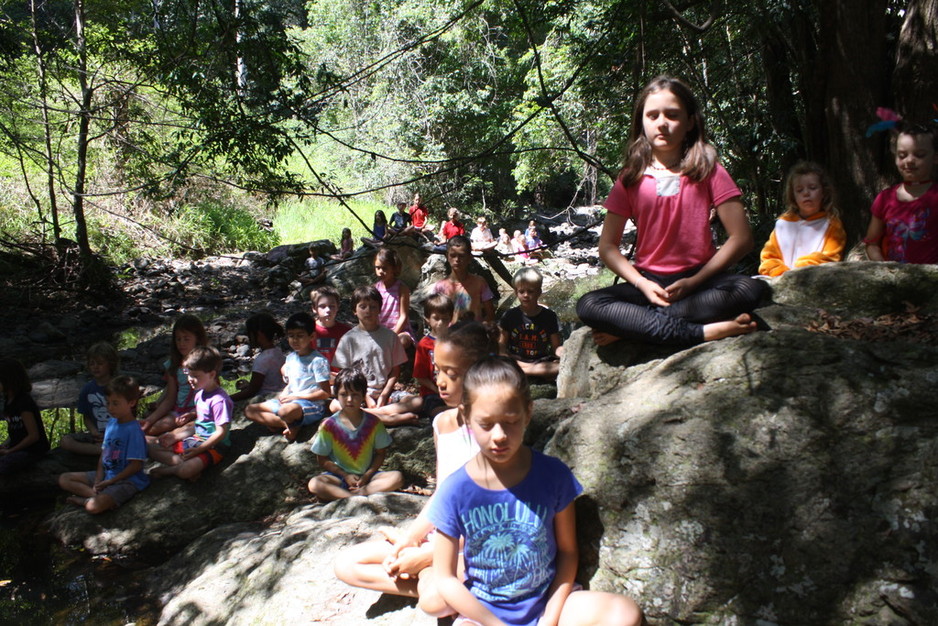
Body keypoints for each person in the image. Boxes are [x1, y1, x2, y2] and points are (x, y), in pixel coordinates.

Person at [428, 356, 644, 626]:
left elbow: (567, 552)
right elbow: (445, 579)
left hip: (546, 602)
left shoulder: (553, 475)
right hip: (484, 613)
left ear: (528, 413)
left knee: (624, 613)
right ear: (466, 417)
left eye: (511, 421)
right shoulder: (455, 490)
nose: (499, 435)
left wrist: (550, 618)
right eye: (486, 424)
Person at [575, 75, 766, 346]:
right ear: (642, 122)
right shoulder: (631, 178)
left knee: (750, 289)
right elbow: (607, 246)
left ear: (690, 122)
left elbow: (742, 238)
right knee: (589, 304)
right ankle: (702, 332)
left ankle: (635, 326)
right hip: (648, 283)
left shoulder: (709, 170)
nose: (662, 123)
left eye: (672, 115)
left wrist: (694, 281)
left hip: (699, 283)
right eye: (652, 115)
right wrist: (641, 283)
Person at [334, 322, 489, 617]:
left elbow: (487, 517)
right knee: (346, 564)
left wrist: (426, 556)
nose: (439, 381)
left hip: (472, 546)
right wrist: (410, 538)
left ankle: (435, 584)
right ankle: (432, 583)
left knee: (435, 600)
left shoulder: (492, 433)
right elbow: (442, 494)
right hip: (439, 537)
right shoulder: (442, 424)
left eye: (451, 374)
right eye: (438, 370)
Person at [307, 367, 403, 501]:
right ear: (336, 395)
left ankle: (357, 494)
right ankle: (352, 496)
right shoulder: (329, 425)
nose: (349, 399)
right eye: (344, 394)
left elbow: (381, 453)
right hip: (338, 477)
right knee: (314, 484)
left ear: (363, 395)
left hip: (367, 476)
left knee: (396, 477)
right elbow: (322, 458)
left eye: (355, 394)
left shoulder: (374, 423)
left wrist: (367, 476)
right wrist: (344, 475)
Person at [58, 376, 149, 513]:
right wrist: (99, 479)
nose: (110, 408)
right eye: (108, 403)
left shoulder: (134, 430)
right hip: (108, 474)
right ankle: (96, 496)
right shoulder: (112, 423)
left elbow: (135, 466)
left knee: (93, 507)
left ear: (131, 403)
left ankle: (89, 500)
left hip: (127, 481)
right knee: (64, 479)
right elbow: (104, 454)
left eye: (115, 403)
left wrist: (110, 482)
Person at [148, 346, 232, 480]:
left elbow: (220, 432)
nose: (190, 380)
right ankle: (187, 464)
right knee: (152, 448)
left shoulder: (219, 401)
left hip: (214, 446)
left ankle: (173, 470)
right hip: (196, 440)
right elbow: (200, 424)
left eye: (195, 376)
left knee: (186, 471)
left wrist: (200, 450)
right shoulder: (199, 394)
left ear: (211, 374)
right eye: (188, 375)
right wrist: (177, 437)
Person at [244, 312, 330, 442]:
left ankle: (282, 422)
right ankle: (289, 425)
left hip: (310, 405)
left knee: (285, 412)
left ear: (311, 336)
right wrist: (283, 395)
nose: (295, 340)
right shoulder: (291, 358)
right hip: (290, 402)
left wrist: (296, 397)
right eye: (291, 336)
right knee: (249, 410)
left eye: (300, 336)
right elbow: (292, 383)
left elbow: (325, 392)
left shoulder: (318, 361)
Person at [863, 122, 938, 264]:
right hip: (897, 281)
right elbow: (872, 243)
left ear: (935, 157)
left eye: (919, 155)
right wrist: (885, 269)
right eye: (902, 155)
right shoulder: (885, 198)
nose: (909, 161)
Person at [759, 161, 846, 277]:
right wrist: (781, 273)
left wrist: (798, 271)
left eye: (812, 188)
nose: (806, 193)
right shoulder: (783, 224)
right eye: (799, 190)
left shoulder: (831, 225)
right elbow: (768, 258)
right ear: (793, 196)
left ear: (824, 192)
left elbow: (829, 258)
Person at [333, 285, 409, 415]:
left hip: (385, 391)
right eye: (363, 307)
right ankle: (383, 417)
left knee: (416, 401)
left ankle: (369, 415)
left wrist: (384, 395)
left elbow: (395, 370)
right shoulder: (348, 339)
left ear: (380, 309)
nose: (368, 311)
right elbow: (343, 373)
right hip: (357, 394)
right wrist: (365, 397)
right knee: (334, 405)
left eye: (373, 307)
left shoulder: (390, 336)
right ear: (354, 310)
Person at [143, 314, 208, 435]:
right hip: (177, 409)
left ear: (197, 339)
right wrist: (149, 419)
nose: (181, 343)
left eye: (186, 339)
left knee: (152, 429)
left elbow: (212, 394)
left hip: (197, 411)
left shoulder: (205, 363)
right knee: (147, 420)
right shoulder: (173, 365)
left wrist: (194, 413)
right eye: (178, 339)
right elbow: (170, 398)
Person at [499, 267, 562, 379]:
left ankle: (523, 371)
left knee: (559, 367)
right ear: (516, 292)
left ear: (539, 292)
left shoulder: (549, 316)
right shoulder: (509, 315)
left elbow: (556, 347)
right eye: (521, 291)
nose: (526, 295)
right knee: (502, 360)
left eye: (530, 291)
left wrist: (564, 354)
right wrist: (504, 355)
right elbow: (502, 344)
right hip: (516, 360)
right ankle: (526, 370)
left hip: (540, 362)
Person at [60, 342, 120, 456]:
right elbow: (86, 416)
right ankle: (103, 451)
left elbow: (127, 416)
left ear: (111, 364)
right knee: (65, 441)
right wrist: (94, 432)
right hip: (96, 435)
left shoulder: (119, 387)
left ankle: (107, 450)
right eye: (92, 364)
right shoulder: (87, 389)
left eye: (100, 363)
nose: (95, 367)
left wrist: (111, 434)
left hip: (118, 432)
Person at [0, 358, 49, 475]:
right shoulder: (8, 401)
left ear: (8, 381)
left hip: (32, 450)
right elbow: (15, 431)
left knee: (5, 465)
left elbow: (33, 436)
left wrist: (10, 451)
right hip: (17, 448)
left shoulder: (23, 402)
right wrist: (4, 445)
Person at [433, 235, 496, 323]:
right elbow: (436, 317)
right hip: (450, 334)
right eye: (453, 255)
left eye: (461, 256)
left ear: (470, 258)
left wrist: (481, 328)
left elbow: (491, 314)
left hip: (474, 333)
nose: (457, 260)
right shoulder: (440, 287)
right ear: (447, 256)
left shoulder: (479, 282)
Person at [229, 313, 285, 403]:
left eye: (250, 334)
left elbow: (252, 391)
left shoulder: (262, 360)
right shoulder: (278, 352)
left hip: (267, 399)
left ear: (259, 334)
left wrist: (226, 398)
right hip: (281, 394)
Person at [413, 294, 455, 408]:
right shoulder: (424, 344)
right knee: (437, 410)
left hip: (454, 391)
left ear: (451, 318)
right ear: (427, 319)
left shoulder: (456, 340)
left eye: (445, 318)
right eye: (436, 318)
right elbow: (420, 376)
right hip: (432, 393)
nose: (440, 322)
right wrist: (437, 390)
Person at [374, 247, 415, 349]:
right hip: (380, 330)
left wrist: (393, 334)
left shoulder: (401, 289)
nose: (380, 271)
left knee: (402, 341)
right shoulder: (375, 288)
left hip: (399, 331)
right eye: (378, 268)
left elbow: (403, 316)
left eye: (384, 268)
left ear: (394, 268)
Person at [310, 285, 352, 375]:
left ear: (338, 307)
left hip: (340, 377)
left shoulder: (346, 332)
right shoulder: (308, 330)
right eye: (322, 306)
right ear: (314, 308)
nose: (328, 310)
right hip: (313, 377)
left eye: (332, 306)